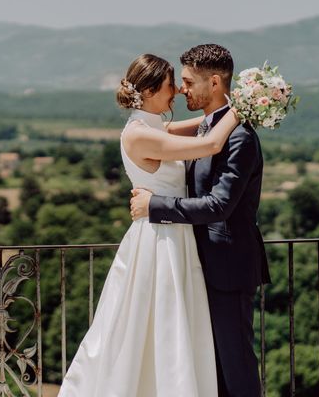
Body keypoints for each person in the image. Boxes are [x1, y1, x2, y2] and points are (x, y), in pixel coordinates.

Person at [58, 53, 240, 397]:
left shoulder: (156, 128)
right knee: (162, 325)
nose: (178, 92)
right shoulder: (139, 135)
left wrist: (231, 108)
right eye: (173, 84)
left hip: (176, 233)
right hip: (161, 240)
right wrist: (243, 107)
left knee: (175, 324)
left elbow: (206, 125)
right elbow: (211, 143)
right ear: (155, 88)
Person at [130, 44, 271, 397]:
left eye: (190, 82)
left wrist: (154, 205)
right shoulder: (208, 128)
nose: (182, 89)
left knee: (235, 368)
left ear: (215, 81)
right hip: (194, 265)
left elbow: (219, 205)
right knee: (210, 372)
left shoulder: (239, 137)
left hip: (227, 268)